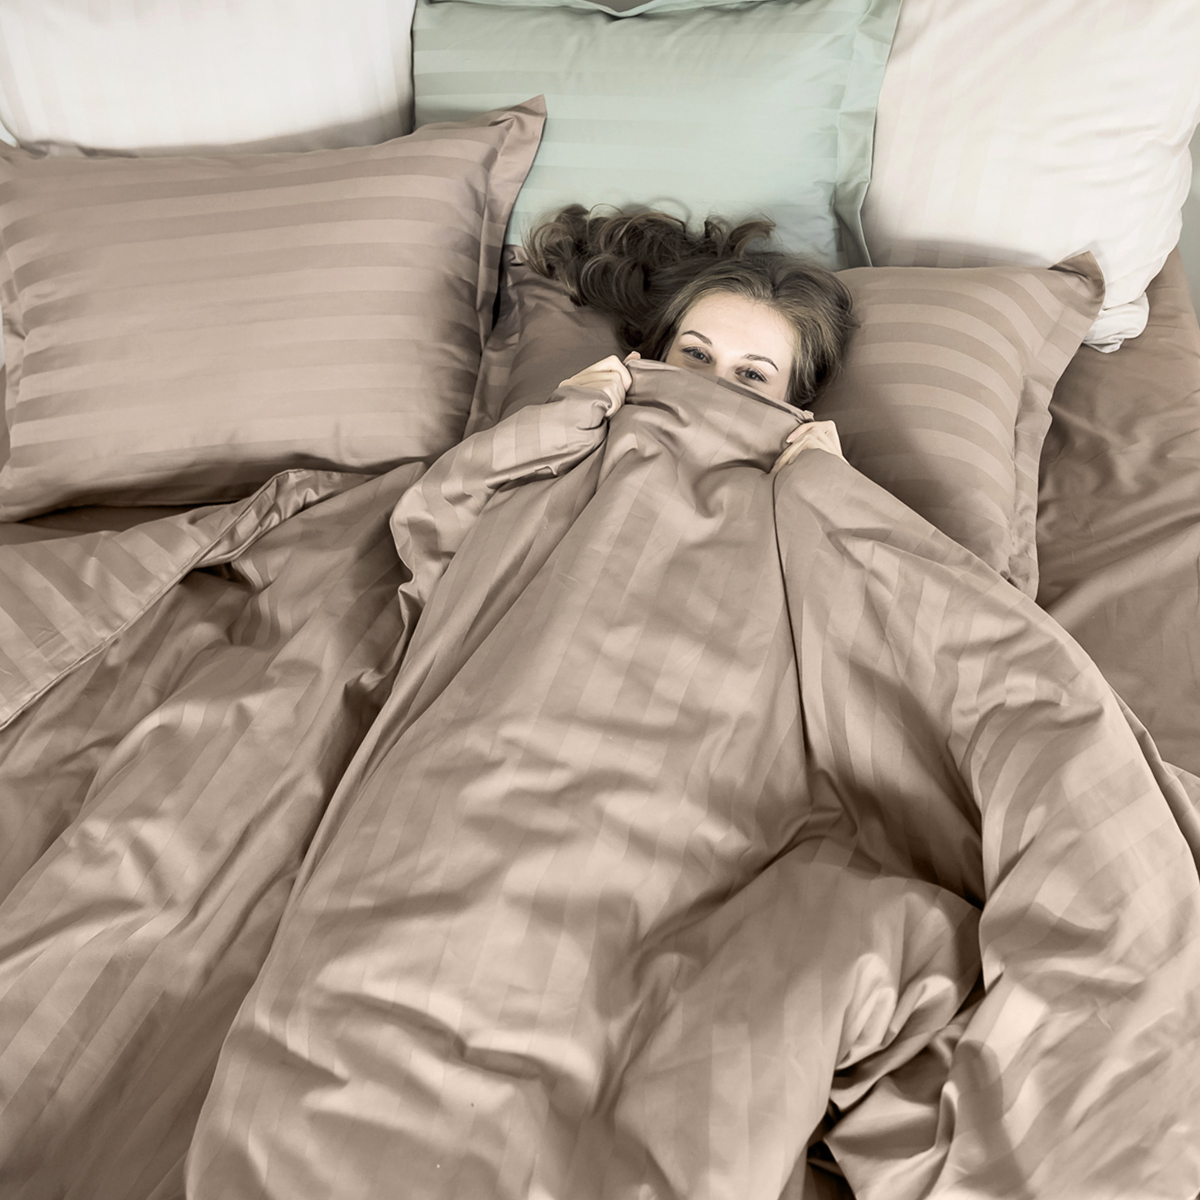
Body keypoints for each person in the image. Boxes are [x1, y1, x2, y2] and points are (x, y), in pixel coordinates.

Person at [523, 205, 857, 464]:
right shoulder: (584, 428)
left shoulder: (800, 489)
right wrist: (560, 421)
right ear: (662, 351)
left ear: (793, 399)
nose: (711, 384)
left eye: (752, 374)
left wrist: (827, 491)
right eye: (697, 353)